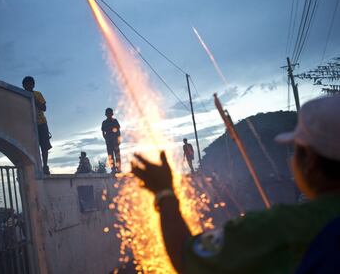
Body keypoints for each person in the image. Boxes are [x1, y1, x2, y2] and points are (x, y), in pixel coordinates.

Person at [131, 95, 340, 273]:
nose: (291, 159)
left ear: (310, 162)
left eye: (295, 150)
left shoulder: (280, 227)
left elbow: (187, 256)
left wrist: (164, 193)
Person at [22, 76, 52, 174]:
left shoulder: (37, 94)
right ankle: (36, 166)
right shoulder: (22, 96)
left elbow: (44, 108)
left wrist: (34, 100)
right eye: (26, 85)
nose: (28, 86)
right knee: (33, 146)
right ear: (23, 86)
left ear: (33, 85)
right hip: (30, 125)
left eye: (30, 84)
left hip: (41, 123)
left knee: (44, 146)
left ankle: (45, 166)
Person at [101, 107, 121, 173]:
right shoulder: (104, 122)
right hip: (109, 141)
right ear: (106, 114)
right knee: (110, 155)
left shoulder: (115, 121)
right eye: (108, 113)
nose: (109, 114)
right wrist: (106, 138)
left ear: (112, 114)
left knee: (117, 155)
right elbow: (103, 132)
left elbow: (118, 131)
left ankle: (119, 168)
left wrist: (119, 139)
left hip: (115, 140)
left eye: (110, 113)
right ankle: (113, 169)